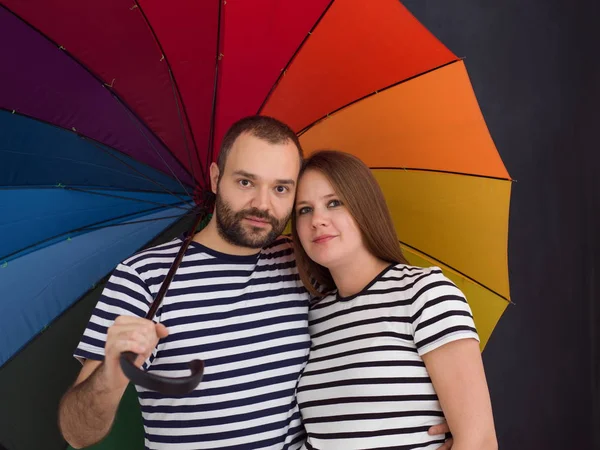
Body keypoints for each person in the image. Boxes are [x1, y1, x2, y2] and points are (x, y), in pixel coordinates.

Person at [58, 116, 453, 450]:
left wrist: (438, 420)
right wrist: (111, 373)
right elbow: (78, 433)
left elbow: (371, 338)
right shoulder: (142, 277)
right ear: (216, 177)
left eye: (281, 188)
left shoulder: (306, 259)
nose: (263, 205)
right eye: (246, 182)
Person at [291, 150, 498, 450]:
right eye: (304, 210)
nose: (317, 220)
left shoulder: (425, 294)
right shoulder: (313, 316)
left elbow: (479, 442)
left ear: (364, 208)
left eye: (334, 203)